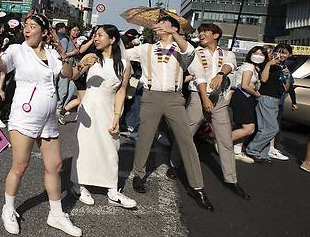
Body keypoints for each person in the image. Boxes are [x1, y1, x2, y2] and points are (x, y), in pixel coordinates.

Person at [0, 13, 82, 237]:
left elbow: (68, 74)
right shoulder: (18, 50)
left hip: (48, 119)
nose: (27, 29)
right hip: (23, 117)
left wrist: (62, 52)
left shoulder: (52, 53)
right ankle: (8, 209)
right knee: (20, 165)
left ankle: (56, 214)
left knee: (55, 166)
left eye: (33, 26)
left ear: (44, 32)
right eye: (26, 26)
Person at [125, 17, 213, 211]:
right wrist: (122, 40)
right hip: (150, 96)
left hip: (174, 98)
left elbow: (189, 53)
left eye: (165, 23)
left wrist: (173, 34)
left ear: (174, 28)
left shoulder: (183, 49)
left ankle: (196, 187)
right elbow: (121, 53)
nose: (159, 26)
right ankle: (139, 174)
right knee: (145, 138)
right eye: (158, 24)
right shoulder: (146, 48)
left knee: (186, 141)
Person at [170, 23, 249, 199]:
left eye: (205, 32)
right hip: (198, 97)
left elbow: (229, 65)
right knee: (186, 133)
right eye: (199, 32)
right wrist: (205, 98)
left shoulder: (227, 53)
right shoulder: (195, 52)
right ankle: (174, 164)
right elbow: (196, 76)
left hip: (218, 100)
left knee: (225, 139)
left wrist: (221, 74)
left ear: (216, 35)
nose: (201, 34)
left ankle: (231, 180)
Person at [69, 25, 136, 209]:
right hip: (89, 108)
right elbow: (73, 74)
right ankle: (78, 184)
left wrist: (117, 116)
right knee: (84, 146)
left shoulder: (124, 63)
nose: (96, 38)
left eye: (100, 35)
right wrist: (81, 63)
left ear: (112, 39)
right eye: (95, 35)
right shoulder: (91, 58)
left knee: (111, 148)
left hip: (109, 109)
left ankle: (112, 189)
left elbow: (121, 91)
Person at [245, 43, 292, 163]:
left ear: (289, 55)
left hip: (275, 99)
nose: (281, 55)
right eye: (279, 52)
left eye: (284, 53)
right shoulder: (268, 64)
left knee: (265, 128)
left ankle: (263, 154)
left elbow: (286, 88)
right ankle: (253, 149)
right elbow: (263, 79)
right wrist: (268, 64)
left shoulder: (283, 68)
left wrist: (287, 76)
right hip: (266, 97)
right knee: (272, 128)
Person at [231, 46, 267, 164]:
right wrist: (257, 94)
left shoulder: (255, 68)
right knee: (249, 129)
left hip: (247, 98)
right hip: (242, 97)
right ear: (250, 54)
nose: (258, 56)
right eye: (255, 53)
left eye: (261, 54)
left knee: (241, 126)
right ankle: (222, 142)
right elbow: (244, 85)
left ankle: (237, 151)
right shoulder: (249, 66)